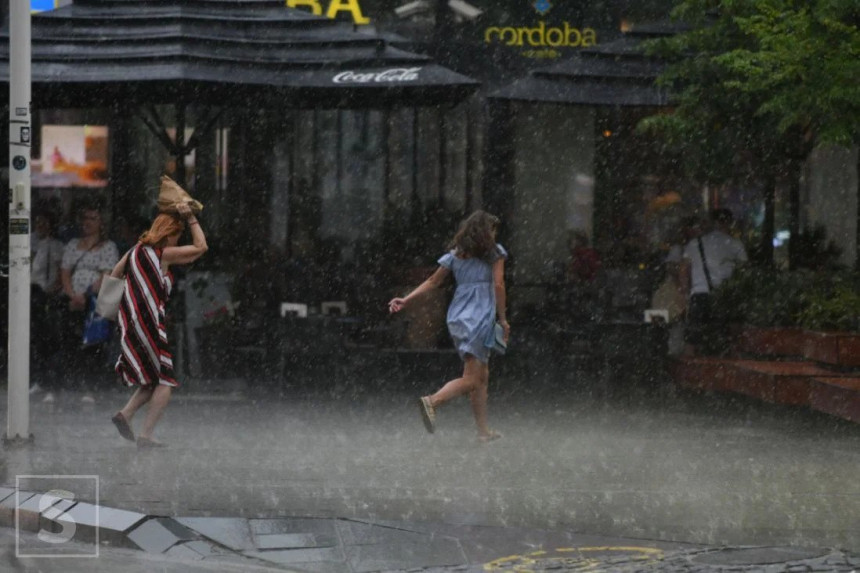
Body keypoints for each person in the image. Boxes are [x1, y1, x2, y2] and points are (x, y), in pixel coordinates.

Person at [388, 210, 509, 443]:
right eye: (493, 230)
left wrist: (406, 299)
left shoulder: (456, 254)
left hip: (459, 315)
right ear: (487, 232)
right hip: (480, 315)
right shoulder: (495, 253)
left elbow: (433, 281)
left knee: (480, 375)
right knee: (474, 379)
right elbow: (499, 285)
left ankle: (483, 431)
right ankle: (432, 402)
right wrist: (502, 319)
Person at [110, 202, 208, 448]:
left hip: (130, 322)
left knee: (152, 378)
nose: (177, 241)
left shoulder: (134, 251)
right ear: (168, 234)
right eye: (176, 236)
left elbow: (114, 275)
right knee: (166, 380)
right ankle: (146, 435)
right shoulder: (161, 254)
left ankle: (125, 414)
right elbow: (201, 247)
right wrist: (191, 218)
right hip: (150, 324)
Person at [57, 204, 120, 403]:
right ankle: (71, 382)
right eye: (85, 218)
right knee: (70, 341)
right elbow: (65, 272)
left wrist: (85, 295)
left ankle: (91, 385)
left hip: (94, 301)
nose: (87, 223)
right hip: (72, 299)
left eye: (93, 218)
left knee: (94, 343)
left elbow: (107, 274)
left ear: (101, 223)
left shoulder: (108, 247)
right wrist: (72, 294)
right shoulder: (72, 245)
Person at [680, 209, 748, 355]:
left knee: (692, 339)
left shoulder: (694, 244)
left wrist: (686, 295)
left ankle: (690, 371)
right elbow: (744, 271)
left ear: (712, 223)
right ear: (730, 222)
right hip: (725, 297)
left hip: (699, 295)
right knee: (731, 338)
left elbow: (683, 271)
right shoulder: (736, 245)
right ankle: (729, 368)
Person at [30, 209, 64, 393]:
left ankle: (46, 378)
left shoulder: (55, 245)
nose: (40, 227)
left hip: (43, 293)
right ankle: (36, 377)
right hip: (30, 289)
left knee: (44, 337)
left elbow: (59, 271)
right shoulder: (30, 241)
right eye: (37, 223)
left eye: (44, 223)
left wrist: (53, 289)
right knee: (34, 337)